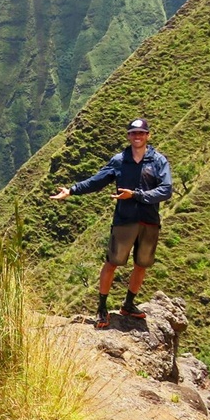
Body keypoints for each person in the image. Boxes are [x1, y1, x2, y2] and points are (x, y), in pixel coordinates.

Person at [50, 118, 173, 328]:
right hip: (125, 221)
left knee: (141, 265)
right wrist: (72, 190)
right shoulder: (119, 161)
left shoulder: (158, 161)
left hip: (149, 222)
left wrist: (135, 195)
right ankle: (102, 308)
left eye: (141, 133)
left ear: (148, 136)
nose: (137, 136)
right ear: (128, 136)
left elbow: (166, 190)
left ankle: (129, 305)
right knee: (112, 263)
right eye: (134, 133)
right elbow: (97, 181)